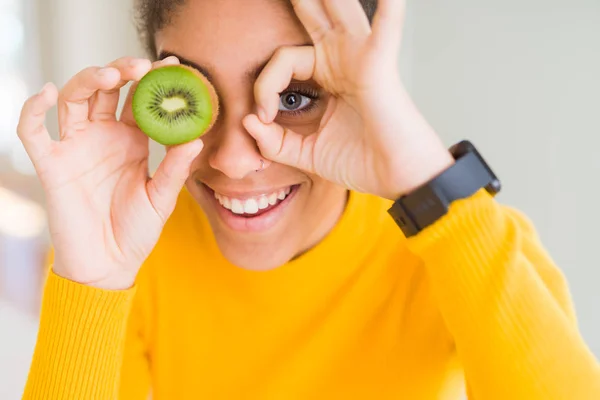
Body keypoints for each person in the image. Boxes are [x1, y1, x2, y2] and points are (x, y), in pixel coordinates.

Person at [17, 0, 600, 398]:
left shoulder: (464, 245)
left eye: (293, 97)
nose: (232, 160)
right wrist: (90, 285)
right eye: (197, 98)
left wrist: (432, 186)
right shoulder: (132, 263)